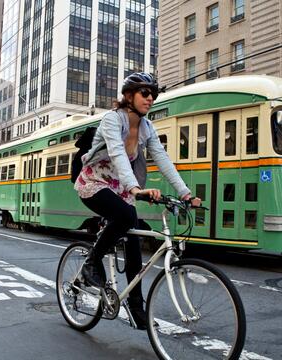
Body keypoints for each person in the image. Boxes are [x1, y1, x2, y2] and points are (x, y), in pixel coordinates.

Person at [74, 72, 201, 330]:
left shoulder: (147, 128)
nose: (150, 98)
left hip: (119, 187)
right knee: (126, 216)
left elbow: (162, 159)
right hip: (94, 182)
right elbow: (118, 155)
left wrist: (185, 192)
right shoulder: (113, 120)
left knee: (134, 237)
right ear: (129, 96)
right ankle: (91, 264)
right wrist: (135, 189)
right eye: (145, 93)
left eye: (153, 94)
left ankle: (135, 306)